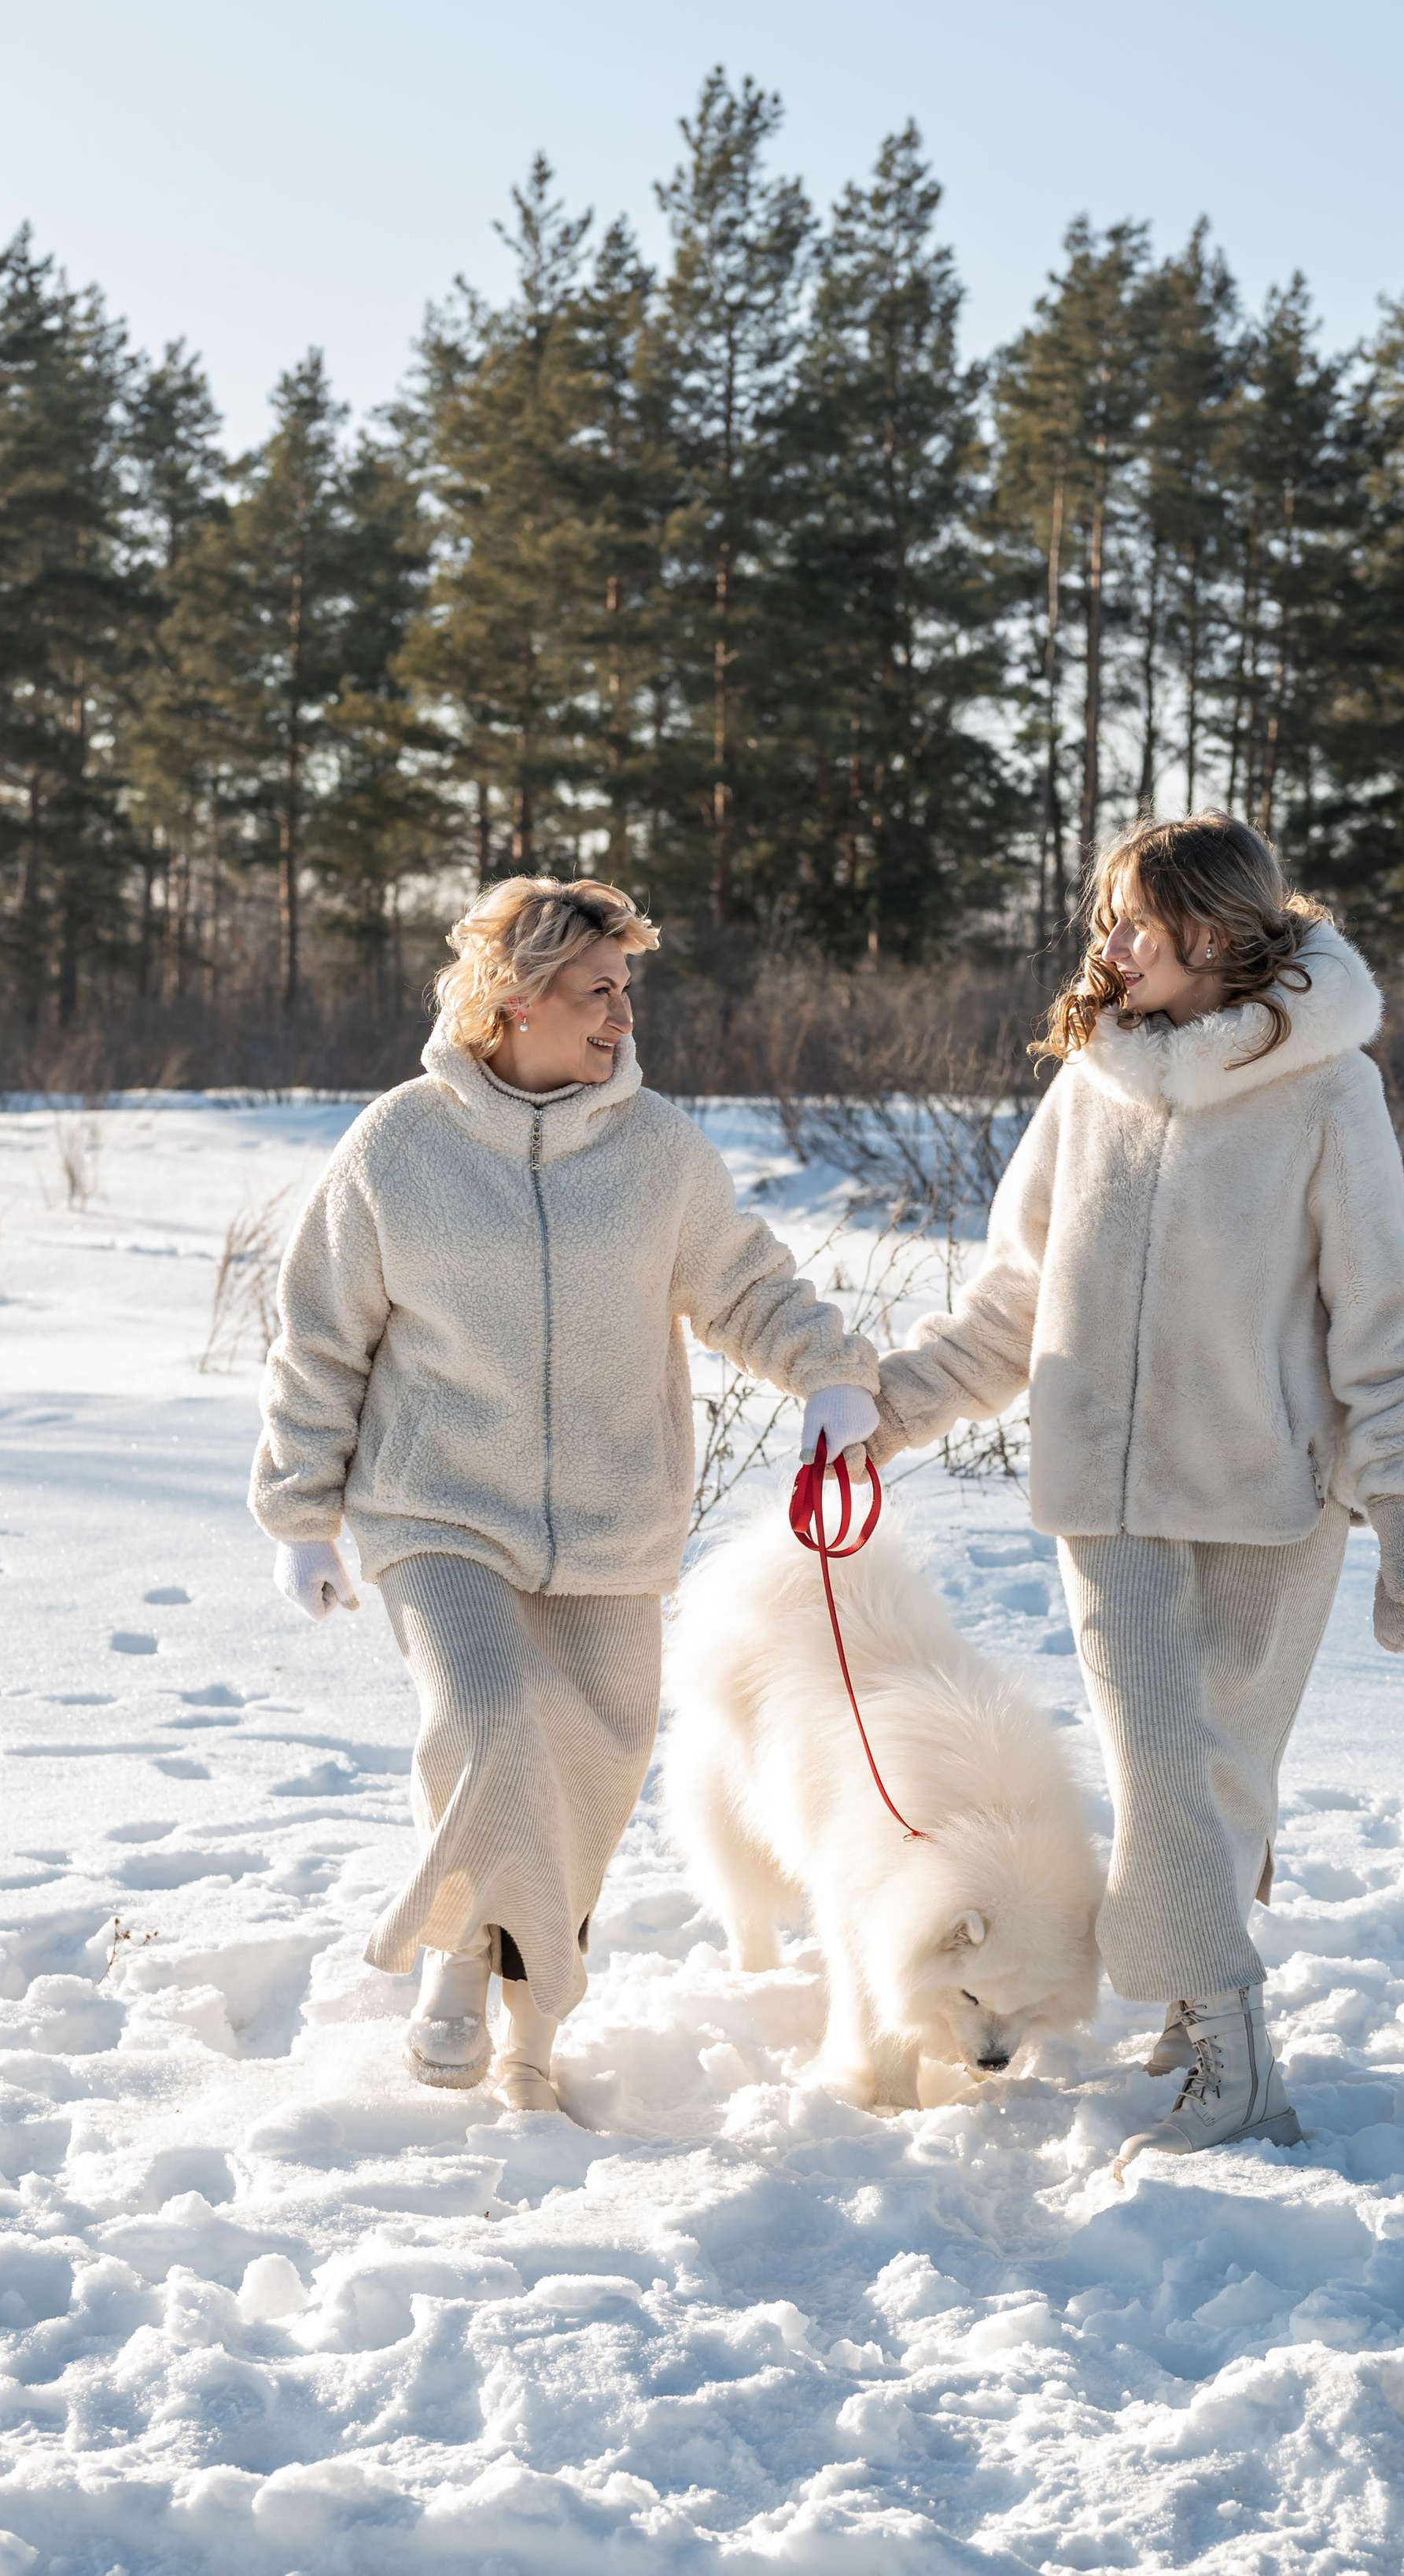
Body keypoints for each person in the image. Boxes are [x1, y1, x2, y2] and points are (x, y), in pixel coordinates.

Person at [868, 814, 1404, 2161]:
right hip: (1109, 1504)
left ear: (1212, 933)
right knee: (1160, 1768)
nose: (1110, 946)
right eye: (1109, 922)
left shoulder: (1327, 1092)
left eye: (1135, 922)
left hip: (1268, 1499)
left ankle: (1202, 2015)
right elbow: (1016, 1300)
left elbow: (1378, 1305)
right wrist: (896, 1409)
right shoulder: (1091, 1086)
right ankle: (1242, 2056)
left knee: (1219, 1775)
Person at [250, 877, 881, 2111]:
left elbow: (747, 1287)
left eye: (626, 993)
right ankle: (453, 1960)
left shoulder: (658, 1154)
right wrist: (301, 1509)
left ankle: (531, 2030)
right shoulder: (400, 1144)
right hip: (438, 1509)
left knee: (588, 1779)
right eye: (596, 994)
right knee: (488, 1724)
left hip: (612, 1525)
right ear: (512, 1001)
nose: (619, 1020)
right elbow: (320, 1338)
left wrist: (831, 1374)